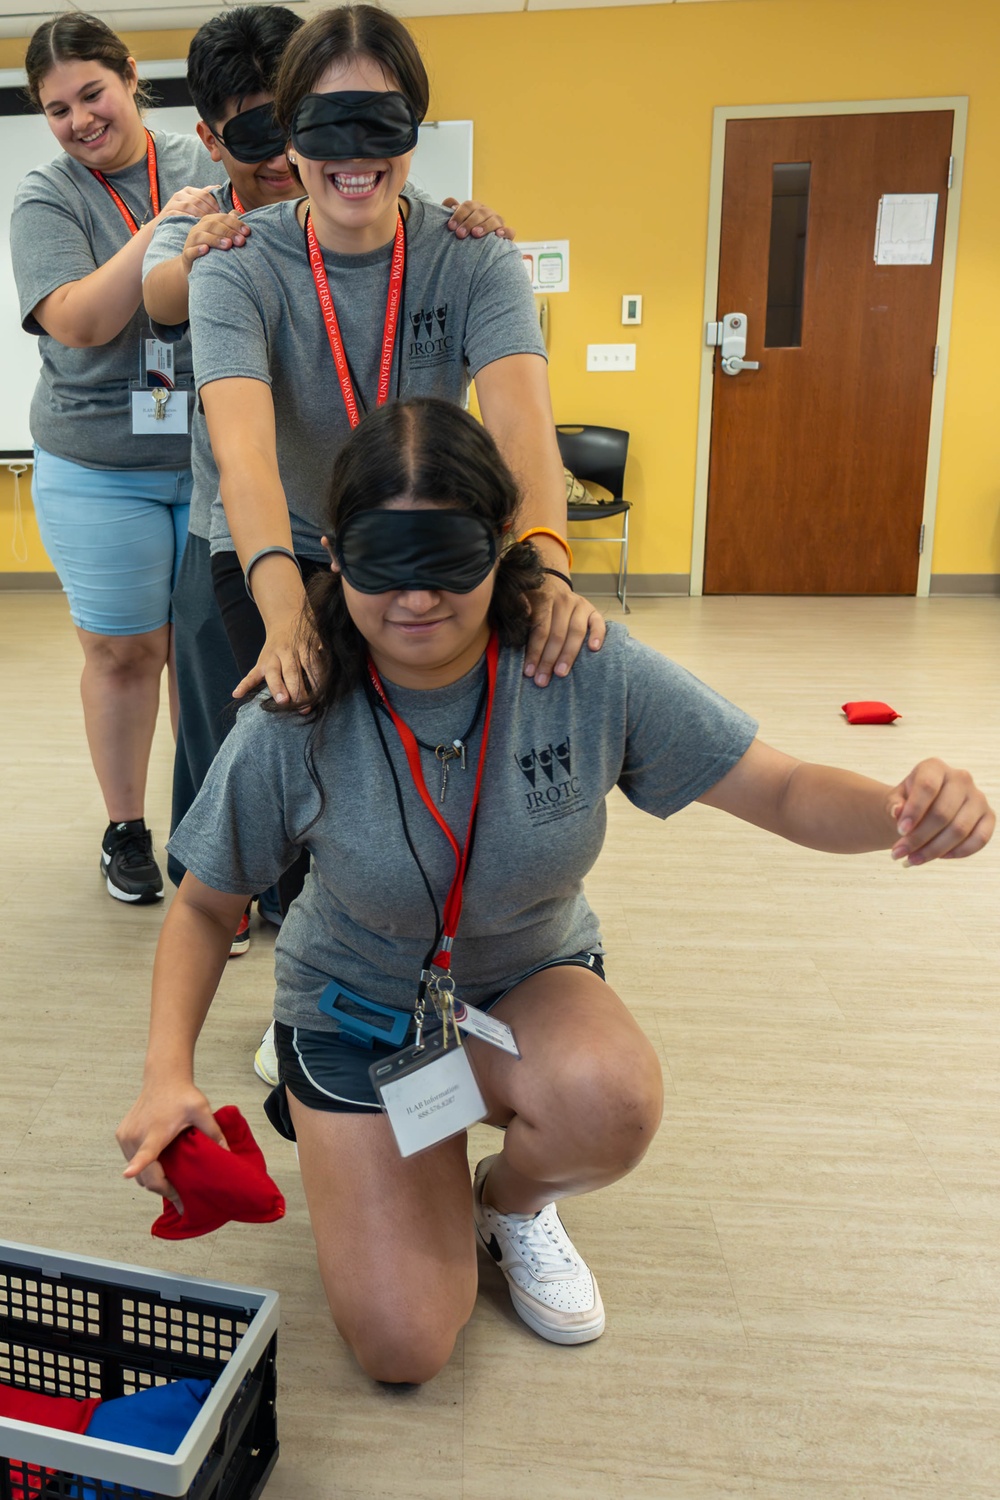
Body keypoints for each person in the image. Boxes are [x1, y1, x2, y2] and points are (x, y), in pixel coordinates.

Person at [117, 398, 994, 1386]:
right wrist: (165, 1074)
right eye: (381, 564)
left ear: (501, 543)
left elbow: (780, 787)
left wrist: (905, 811)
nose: (414, 600)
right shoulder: (301, 703)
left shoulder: (575, 667)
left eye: (445, 559)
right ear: (335, 554)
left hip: (523, 979)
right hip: (354, 1010)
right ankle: (361, 1135)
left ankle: (510, 1203)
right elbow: (202, 902)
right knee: (404, 1345)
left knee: (608, 1098)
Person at [140, 4, 520, 957]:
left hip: (407, 538)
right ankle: (261, 923)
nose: (347, 149)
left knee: (399, 751)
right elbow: (244, 454)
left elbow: (524, 435)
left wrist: (545, 567)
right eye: (314, 123)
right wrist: (284, 612)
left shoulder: (467, 251)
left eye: (377, 121)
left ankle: (422, 945)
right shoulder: (224, 252)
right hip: (276, 532)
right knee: (273, 727)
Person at [10, 13, 223, 904]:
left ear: (132, 77)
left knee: (208, 660)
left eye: (91, 93)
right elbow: (83, 321)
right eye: (57, 109)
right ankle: (126, 829)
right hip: (97, 464)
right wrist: (164, 230)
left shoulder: (205, 161)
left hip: (214, 455)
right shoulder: (45, 196)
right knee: (124, 653)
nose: (79, 119)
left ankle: (212, 836)